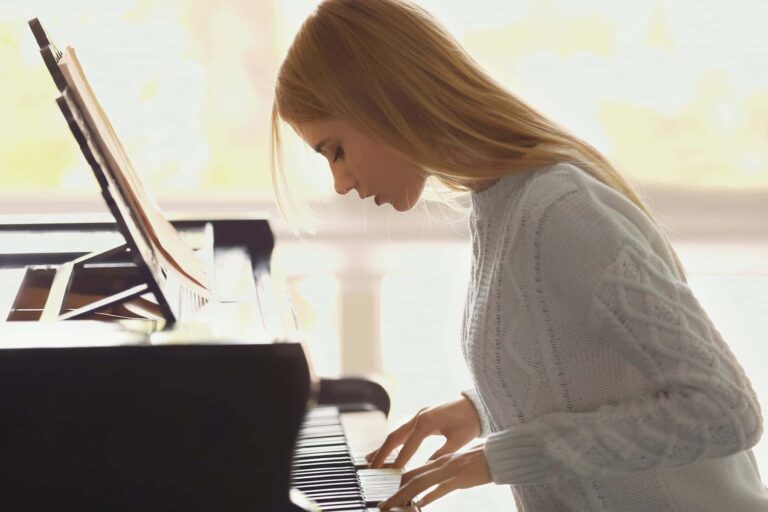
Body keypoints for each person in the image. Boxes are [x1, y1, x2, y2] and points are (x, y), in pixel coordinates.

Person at [269, 1, 768, 510]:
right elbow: (587, 370)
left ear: (384, 101)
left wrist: (497, 457)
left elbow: (726, 411)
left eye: (335, 150)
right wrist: (481, 408)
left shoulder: (561, 209)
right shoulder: (498, 203)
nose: (341, 181)